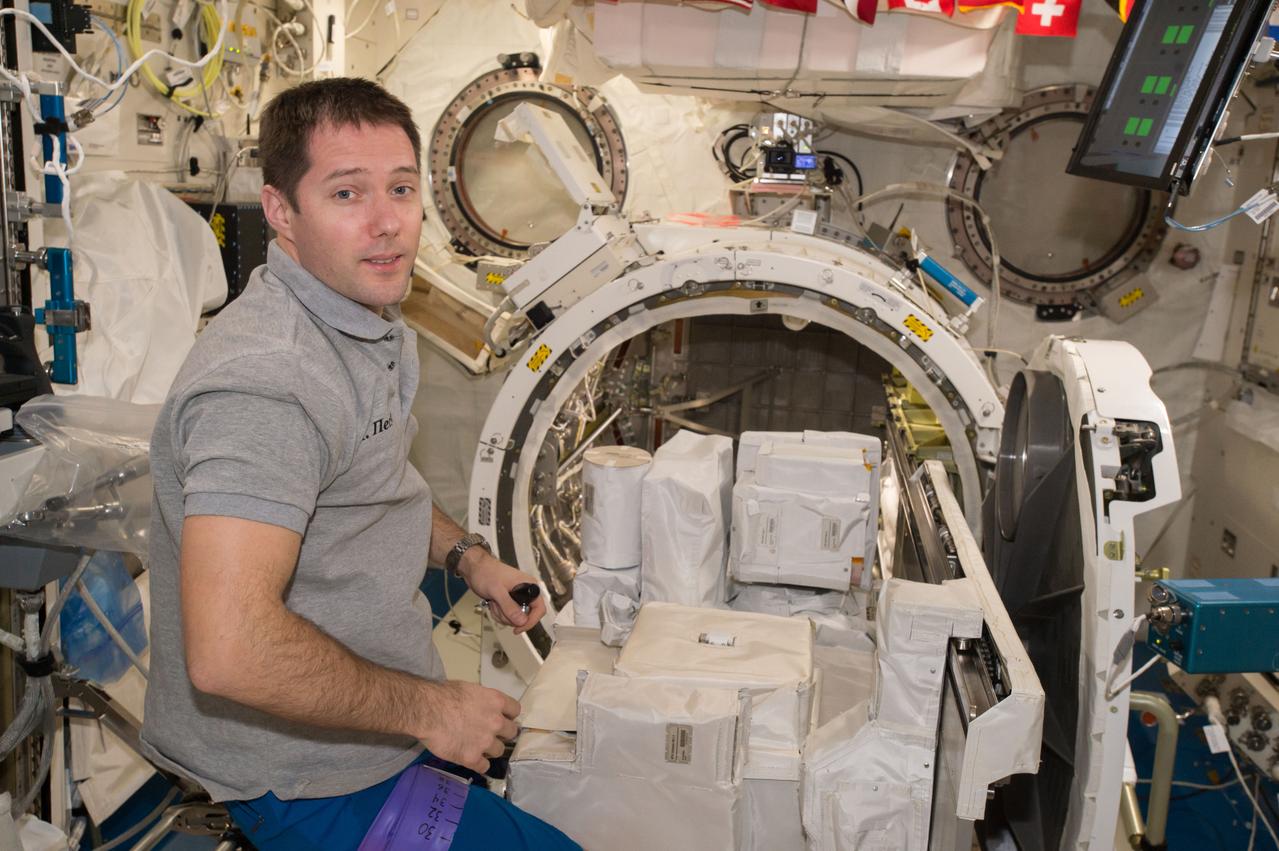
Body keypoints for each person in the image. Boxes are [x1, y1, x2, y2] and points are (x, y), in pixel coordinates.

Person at [140, 77, 580, 851]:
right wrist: (431, 709)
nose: (387, 224)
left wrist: (469, 559)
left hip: (374, 732)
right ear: (281, 212)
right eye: (347, 193)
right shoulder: (268, 383)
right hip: (306, 776)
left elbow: (371, 486)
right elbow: (229, 649)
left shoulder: (366, 323)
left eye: (401, 189)